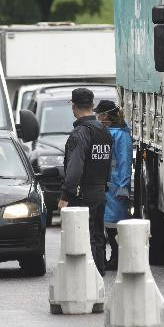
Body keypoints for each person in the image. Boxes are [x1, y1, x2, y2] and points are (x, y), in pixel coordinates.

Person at [59, 88, 113, 276]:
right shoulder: (104, 130)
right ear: (92, 105)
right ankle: (99, 272)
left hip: (83, 194)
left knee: (85, 235)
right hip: (100, 191)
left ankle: (88, 278)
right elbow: (109, 163)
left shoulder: (80, 133)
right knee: (98, 235)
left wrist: (66, 194)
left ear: (74, 106)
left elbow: (75, 166)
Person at [95, 99, 132, 271]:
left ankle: (117, 258)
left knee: (116, 225)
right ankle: (115, 258)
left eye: (99, 114)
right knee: (109, 223)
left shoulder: (120, 135)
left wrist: (124, 185)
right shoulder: (110, 132)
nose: (97, 117)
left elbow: (125, 161)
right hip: (109, 184)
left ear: (106, 116)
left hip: (116, 185)